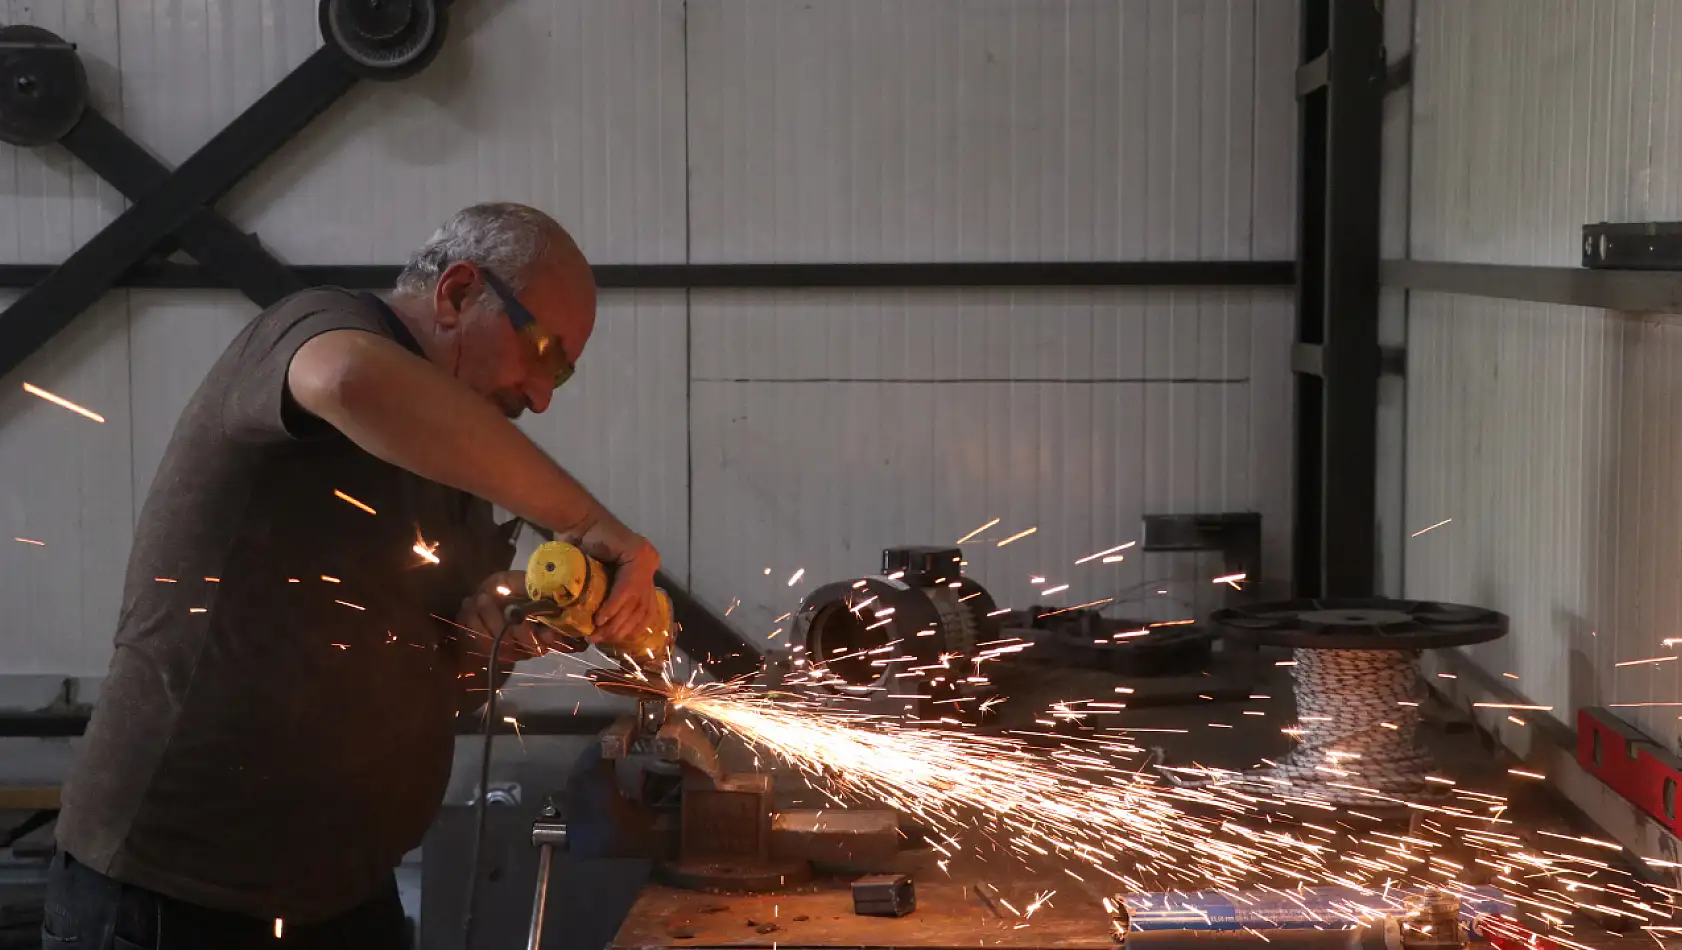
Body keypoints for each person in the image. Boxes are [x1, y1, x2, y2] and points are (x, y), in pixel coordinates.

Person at [42, 203, 660, 948]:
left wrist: (485, 633)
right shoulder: (312, 327)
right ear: (459, 293)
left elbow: (423, 663)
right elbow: (345, 380)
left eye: (561, 372)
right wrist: (589, 522)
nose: (540, 394)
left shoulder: (460, 466)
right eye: (541, 350)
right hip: (172, 897)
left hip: (341, 896)